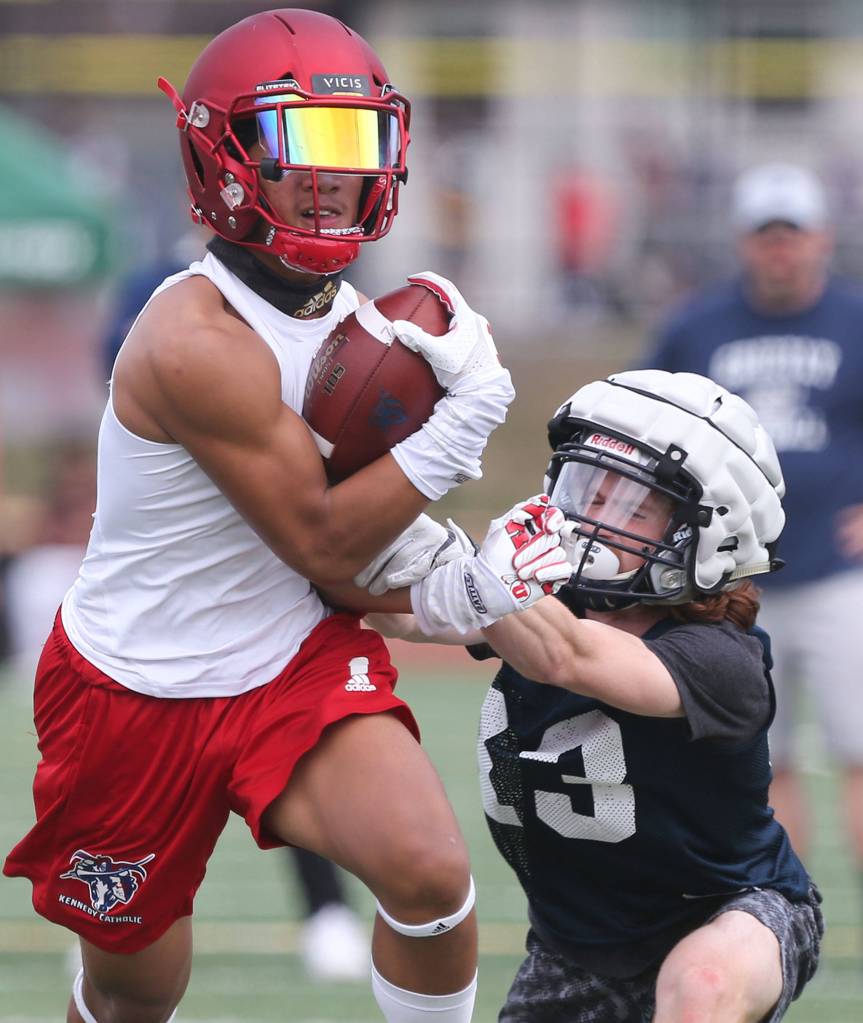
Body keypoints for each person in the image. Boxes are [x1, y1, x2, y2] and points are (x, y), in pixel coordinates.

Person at [0, 10, 568, 1023]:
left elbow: (343, 566)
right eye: (295, 146)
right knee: (134, 996)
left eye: (351, 146)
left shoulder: (359, 332)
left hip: (287, 661)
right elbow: (317, 536)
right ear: (224, 159)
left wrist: (464, 589)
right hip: (134, 688)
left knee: (430, 877)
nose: (329, 175)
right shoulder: (189, 336)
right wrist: (457, 426)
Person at [365, 369, 824, 1022]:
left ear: (713, 531)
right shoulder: (553, 600)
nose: (593, 517)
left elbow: (564, 653)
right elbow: (402, 611)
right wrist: (350, 489)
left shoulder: (721, 660)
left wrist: (474, 572)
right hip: (575, 944)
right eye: (588, 487)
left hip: (731, 908)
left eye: (632, 505)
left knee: (699, 984)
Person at [100, 231, 371, 985]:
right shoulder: (164, 298)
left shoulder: (330, 294)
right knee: (144, 770)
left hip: (279, 562)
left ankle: (326, 911)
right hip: (177, 568)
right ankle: (118, 914)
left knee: (296, 746)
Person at [641, 162, 863, 895]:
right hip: (734, 581)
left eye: (791, 235)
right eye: (766, 236)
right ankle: (785, 902)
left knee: (857, 749)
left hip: (838, 572)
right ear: (743, 242)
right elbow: (643, 428)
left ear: (819, 239)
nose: (780, 250)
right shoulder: (695, 327)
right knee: (764, 757)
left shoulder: (853, 320)